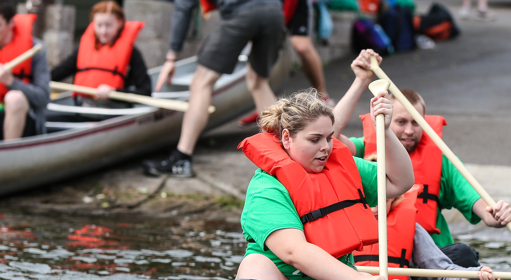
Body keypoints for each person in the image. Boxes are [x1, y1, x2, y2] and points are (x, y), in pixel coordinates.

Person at [334, 50, 511, 280]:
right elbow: (328, 137)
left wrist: (494, 216)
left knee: (463, 255)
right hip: (369, 272)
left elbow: (481, 207)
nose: (409, 130)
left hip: (428, 266)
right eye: (400, 122)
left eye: (416, 123)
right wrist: (360, 81)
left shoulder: (442, 160)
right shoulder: (365, 150)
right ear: (386, 119)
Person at [236, 87, 415, 280]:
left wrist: (385, 131)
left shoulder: (342, 168)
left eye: (329, 138)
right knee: (255, 265)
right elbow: (294, 251)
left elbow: (401, 182)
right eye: (315, 139)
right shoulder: (266, 188)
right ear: (287, 138)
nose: (326, 148)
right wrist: (359, 279)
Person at [142, 0, 285, 178]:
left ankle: (182, 157)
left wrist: (171, 57)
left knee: (201, 83)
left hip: (240, 13)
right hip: (274, 11)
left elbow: (184, 6)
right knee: (258, 82)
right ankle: (285, 154)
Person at [354, 188, 500, 280]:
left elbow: (443, 272)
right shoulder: (342, 225)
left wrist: (476, 275)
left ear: (393, 200)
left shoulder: (411, 229)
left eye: (383, 201)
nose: (375, 208)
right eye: (369, 200)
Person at [237, 0, 332, 127]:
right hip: (266, 6)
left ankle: (323, 96)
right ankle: (264, 107)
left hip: (295, 3)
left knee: (302, 46)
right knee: (262, 49)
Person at [51, 1, 151, 108]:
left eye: (108, 25)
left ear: (120, 23)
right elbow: (61, 71)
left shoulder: (132, 52)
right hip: (85, 108)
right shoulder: (84, 48)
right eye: (99, 25)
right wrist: (39, 79)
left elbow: (145, 90)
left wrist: (114, 92)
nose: (103, 31)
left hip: (115, 110)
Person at [0, 1, 50, 141]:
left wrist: (10, 81)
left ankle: (10, 158)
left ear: (11, 24)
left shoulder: (36, 49)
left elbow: (43, 98)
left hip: (24, 120)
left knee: (14, 98)